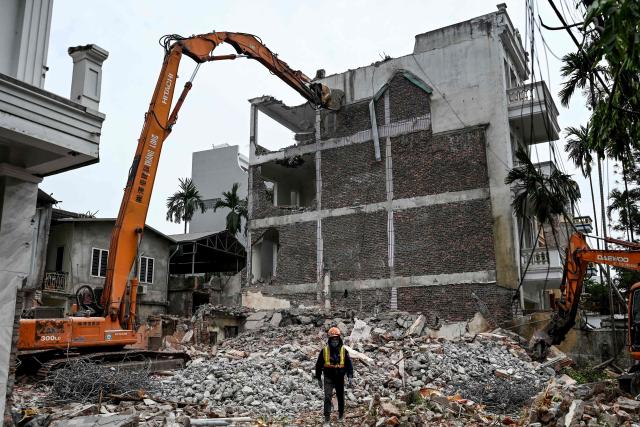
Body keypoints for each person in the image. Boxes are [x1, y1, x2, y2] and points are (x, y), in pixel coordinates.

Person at [315, 326, 353, 425]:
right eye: (333, 339)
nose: (335, 341)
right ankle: (327, 418)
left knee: (340, 396)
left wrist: (350, 376)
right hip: (328, 377)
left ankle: (341, 415)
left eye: (336, 339)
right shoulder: (325, 351)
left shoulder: (343, 351)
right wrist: (318, 378)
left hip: (340, 377)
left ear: (339, 339)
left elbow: (349, 364)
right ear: (330, 339)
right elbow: (318, 365)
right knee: (327, 396)